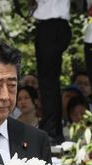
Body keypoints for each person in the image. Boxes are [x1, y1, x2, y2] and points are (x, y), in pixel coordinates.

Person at [33, 0, 71, 144]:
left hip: (53, 24)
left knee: (48, 81)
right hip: (48, 25)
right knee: (47, 81)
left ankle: (52, 129)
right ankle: (52, 128)